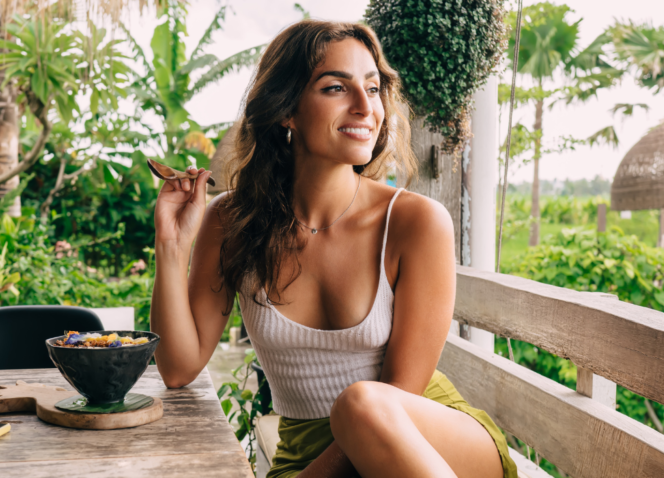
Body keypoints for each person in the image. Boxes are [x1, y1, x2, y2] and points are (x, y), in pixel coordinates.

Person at [151, 19, 517, 478]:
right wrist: (170, 245)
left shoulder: (414, 223)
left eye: (373, 86)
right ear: (287, 110)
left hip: (431, 445)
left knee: (362, 403)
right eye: (335, 88)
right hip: (306, 454)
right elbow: (180, 368)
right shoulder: (232, 222)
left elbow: (398, 397)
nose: (366, 106)